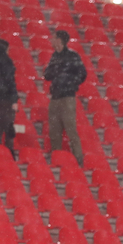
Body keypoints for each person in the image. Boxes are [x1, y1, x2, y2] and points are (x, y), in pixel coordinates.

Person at [42, 29, 87, 165]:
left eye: (53, 38)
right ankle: (57, 158)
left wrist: (70, 83)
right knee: (54, 130)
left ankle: (78, 159)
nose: (51, 40)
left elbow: (82, 74)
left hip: (67, 96)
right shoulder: (54, 57)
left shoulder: (72, 56)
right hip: (55, 96)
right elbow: (47, 75)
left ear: (59, 40)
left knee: (70, 129)